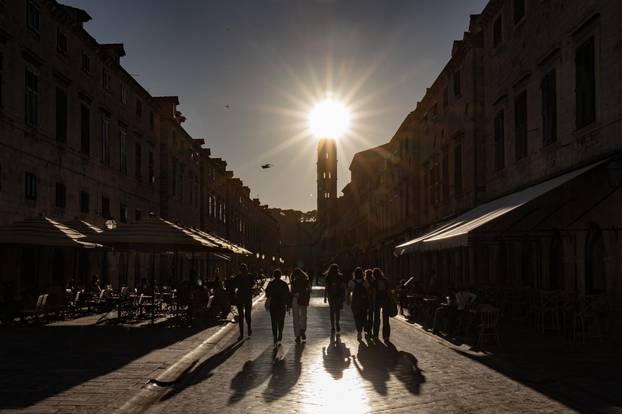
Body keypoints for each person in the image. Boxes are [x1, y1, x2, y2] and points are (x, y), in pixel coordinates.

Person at [265, 269, 291, 347]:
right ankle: (280, 332)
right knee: (281, 320)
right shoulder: (284, 284)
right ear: (280, 275)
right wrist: (288, 305)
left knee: (273, 321)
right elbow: (288, 295)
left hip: (273, 304)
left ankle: (275, 336)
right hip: (281, 305)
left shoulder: (271, 284)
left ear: (274, 275)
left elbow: (267, 294)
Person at [232, 263, 256, 340]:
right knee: (244, 316)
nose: (243, 271)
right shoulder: (249, 276)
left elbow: (233, 286)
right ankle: (245, 331)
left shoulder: (239, 277)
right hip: (245, 298)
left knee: (244, 316)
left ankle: (244, 332)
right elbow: (254, 285)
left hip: (243, 298)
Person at [347, 267, 370, 341]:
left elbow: (348, 292)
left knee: (357, 318)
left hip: (355, 303)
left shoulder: (351, 282)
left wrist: (348, 300)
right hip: (364, 303)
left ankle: (359, 332)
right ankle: (364, 326)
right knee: (363, 316)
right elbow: (368, 293)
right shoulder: (365, 282)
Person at [290, 267, 311, 343]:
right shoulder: (306, 280)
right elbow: (309, 290)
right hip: (303, 299)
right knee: (303, 316)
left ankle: (297, 335)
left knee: (296, 317)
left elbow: (291, 291)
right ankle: (303, 330)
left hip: (295, 298)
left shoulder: (293, 281)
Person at [323, 263, 345, 335]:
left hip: (330, 295)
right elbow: (342, 287)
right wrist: (343, 296)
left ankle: (332, 326)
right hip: (338, 295)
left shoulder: (328, 277)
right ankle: (337, 323)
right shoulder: (340, 276)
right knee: (337, 310)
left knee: (332, 311)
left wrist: (325, 297)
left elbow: (326, 287)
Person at [372, 268, 393, 341]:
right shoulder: (386, 281)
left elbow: (374, 293)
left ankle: (375, 335)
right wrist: (391, 299)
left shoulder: (374, 281)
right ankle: (386, 336)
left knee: (376, 319)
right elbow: (388, 292)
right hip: (385, 300)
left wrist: (373, 302)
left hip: (377, 301)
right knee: (386, 319)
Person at [364, 269, 375, 337]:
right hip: (371, 300)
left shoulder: (364, 281)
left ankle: (366, 328)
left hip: (365, 301)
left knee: (365, 316)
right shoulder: (373, 281)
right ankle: (369, 330)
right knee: (371, 316)